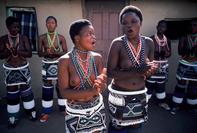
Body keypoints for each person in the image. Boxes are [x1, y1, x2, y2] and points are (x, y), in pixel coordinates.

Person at [107, 5, 158, 133]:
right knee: (117, 128)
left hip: (139, 95)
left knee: (135, 128)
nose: (129, 26)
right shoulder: (117, 43)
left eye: (134, 21)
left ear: (141, 22)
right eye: (125, 23)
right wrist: (137, 71)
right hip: (119, 95)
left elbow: (149, 73)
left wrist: (151, 71)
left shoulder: (149, 43)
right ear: (121, 26)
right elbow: (110, 72)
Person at [58, 19, 107, 132]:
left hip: (97, 109)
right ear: (77, 38)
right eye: (89, 34)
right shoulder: (65, 61)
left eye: (94, 34)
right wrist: (92, 91)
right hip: (75, 113)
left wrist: (102, 84)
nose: (93, 37)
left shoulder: (97, 58)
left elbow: (102, 87)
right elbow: (64, 92)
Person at [0, 16, 37, 128]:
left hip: (22, 67)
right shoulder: (3, 39)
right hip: (10, 69)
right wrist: (9, 51)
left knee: (25, 89)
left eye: (18, 27)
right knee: (12, 91)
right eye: (13, 27)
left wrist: (18, 51)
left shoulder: (24, 38)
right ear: (8, 27)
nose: (16, 29)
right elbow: (0, 55)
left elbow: (29, 54)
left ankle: (30, 111)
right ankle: (13, 116)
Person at [38, 16, 68, 122]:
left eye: (52, 23)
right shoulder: (42, 37)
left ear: (56, 25)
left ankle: (63, 109)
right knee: (47, 86)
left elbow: (65, 53)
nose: (50, 24)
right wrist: (46, 52)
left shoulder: (61, 37)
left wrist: (55, 52)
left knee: (60, 86)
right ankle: (46, 111)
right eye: (48, 23)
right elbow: (39, 53)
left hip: (58, 63)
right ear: (46, 25)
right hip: (46, 64)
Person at [171, 18, 197, 115]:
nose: (192, 27)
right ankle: (175, 105)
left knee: (193, 88)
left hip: (196, 65)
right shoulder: (184, 37)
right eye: (191, 25)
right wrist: (193, 49)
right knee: (180, 85)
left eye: (195, 25)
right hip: (184, 64)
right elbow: (180, 52)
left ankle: (192, 107)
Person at [146, 20, 171, 110]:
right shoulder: (151, 39)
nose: (161, 28)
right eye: (160, 26)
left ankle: (161, 102)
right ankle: (144, 104)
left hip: (163, 66)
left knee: (161, 85)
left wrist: (165, 54)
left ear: (166, 29)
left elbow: (169, 53)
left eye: (163, 27)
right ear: (157, 27)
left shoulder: (167, 39)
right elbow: (146, 53)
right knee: (149, 85)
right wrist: (155, 54)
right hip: (153, 66)